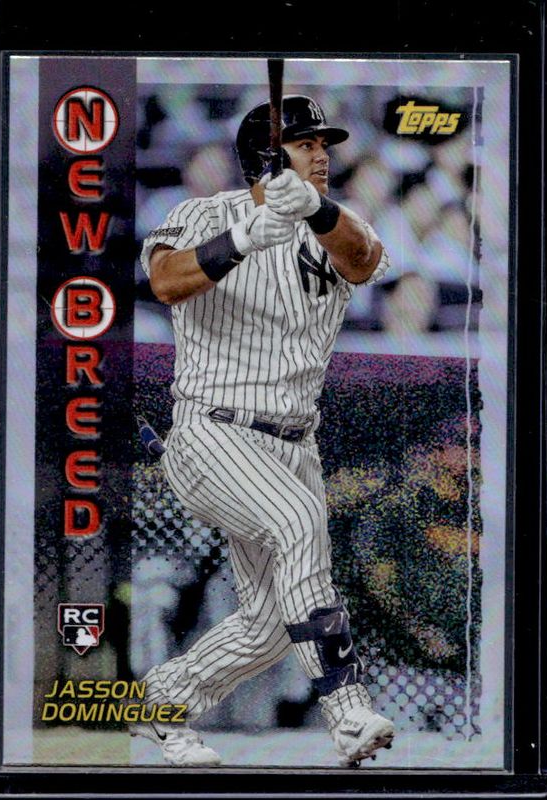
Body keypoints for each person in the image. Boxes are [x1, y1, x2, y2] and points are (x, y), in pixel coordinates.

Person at [135, 95, 394, 768]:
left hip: (295, 442)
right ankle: (347, 710)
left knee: (269, 626)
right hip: (214, 432)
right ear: (267, 157)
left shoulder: (334, 222)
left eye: (324, 146)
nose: (322, 156)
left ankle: (163, 702)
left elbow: (364, 258)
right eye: (307, 145)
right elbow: (164, 281)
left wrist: (315, 210)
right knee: (296, 525)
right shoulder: (206, 213)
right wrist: (244, 238)